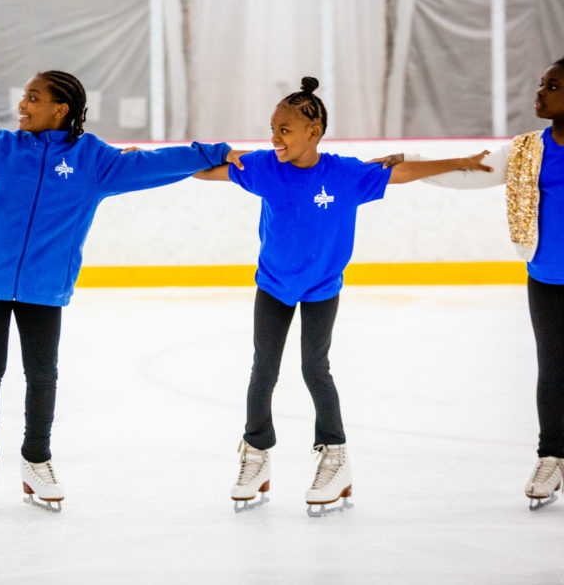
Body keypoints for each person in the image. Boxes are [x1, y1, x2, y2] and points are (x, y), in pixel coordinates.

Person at [0, 70, 237, 513]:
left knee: (42, 376)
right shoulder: (2, 149)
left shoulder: (93, 161)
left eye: (33, 98)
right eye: (23, 97)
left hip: (45, 285)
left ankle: (37, 459)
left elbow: (154, 164)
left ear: (61, 109)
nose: (22, 105)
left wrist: (219, 153)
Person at [194, 76, 491, 517]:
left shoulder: (345, 174)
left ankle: (335, 456)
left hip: (321, 288)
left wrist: (458, 161)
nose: (275, 137)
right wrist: (191, 155)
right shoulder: (262, 168)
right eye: (272, 128)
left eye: (284, 130)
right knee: (264, 368)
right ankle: (256, 455)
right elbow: (207, 171)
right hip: (273, 285)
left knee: (315, 367)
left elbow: (402, 173)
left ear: (313, 133)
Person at [375, 56, 564, 510]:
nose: (539, 92)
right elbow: (469, 171)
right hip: (547, 279)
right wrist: (411, 162)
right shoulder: (526, 150)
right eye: (540, 83)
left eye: (552, 86)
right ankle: (552, 455)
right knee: (553, 371)